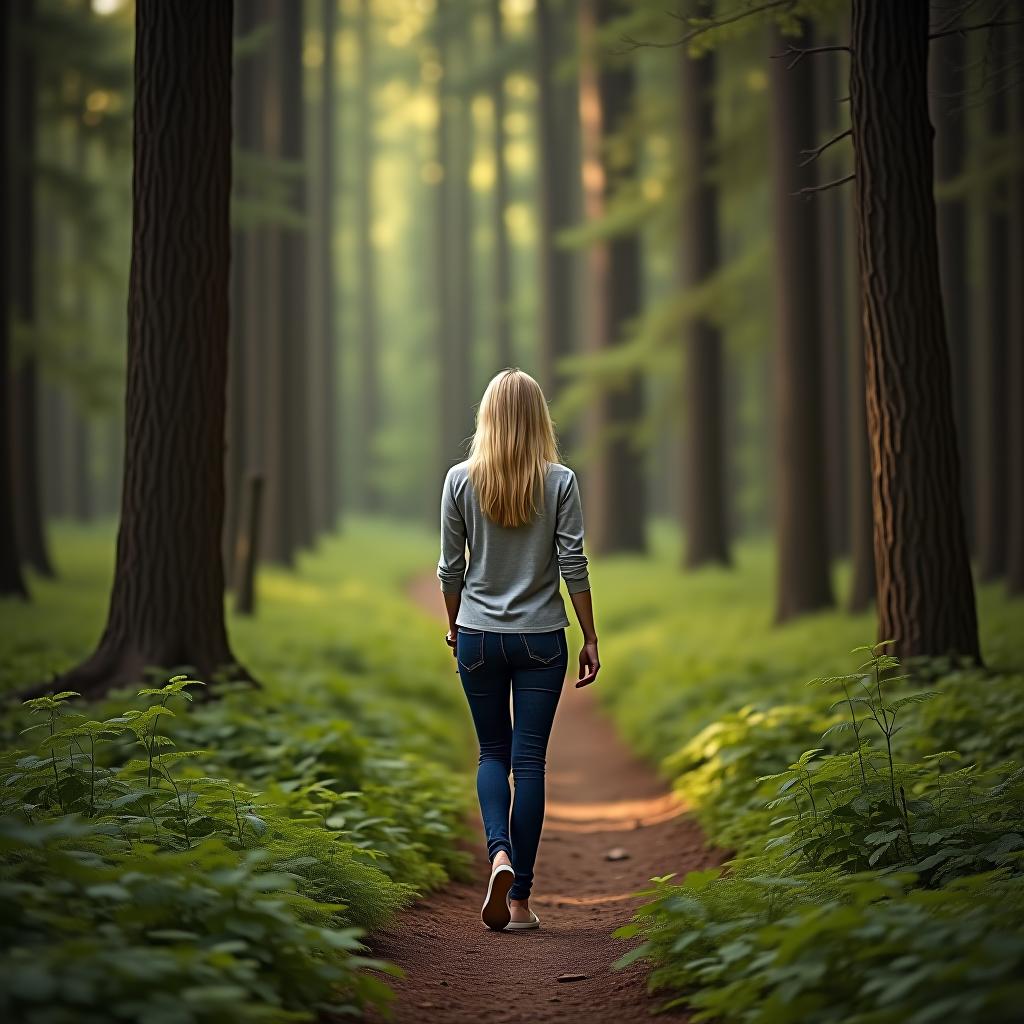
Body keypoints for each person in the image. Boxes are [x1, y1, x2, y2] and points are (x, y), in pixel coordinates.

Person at [436, 367, 600, 932]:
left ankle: (498, 854)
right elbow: (574, 563)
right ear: (539, 420)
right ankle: (522, 901)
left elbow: (449, 569)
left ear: (486, 419)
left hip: (479, 637)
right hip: (541, 639)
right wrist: (591, 636)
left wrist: (456, 625)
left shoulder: (459, 479)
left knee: (491, 755)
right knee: (529, 763)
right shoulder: (560, 481)